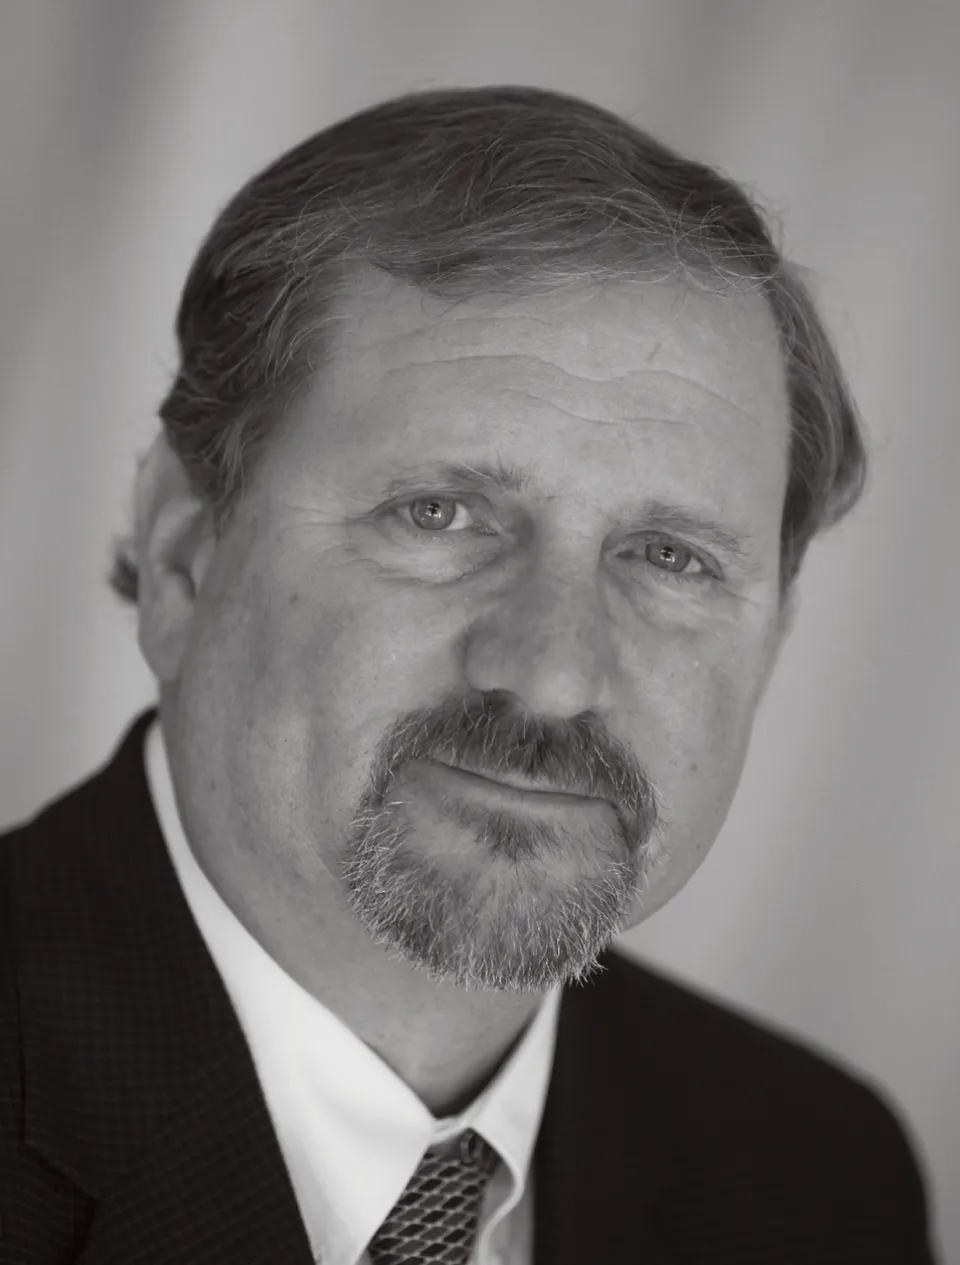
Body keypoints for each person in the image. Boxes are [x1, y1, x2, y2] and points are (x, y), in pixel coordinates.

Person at [0, 85, 937, 1265]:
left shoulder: (820, 1176)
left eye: (669, 557)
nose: (554, 674)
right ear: (184, 550)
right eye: (440, 514)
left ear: (774, 635)